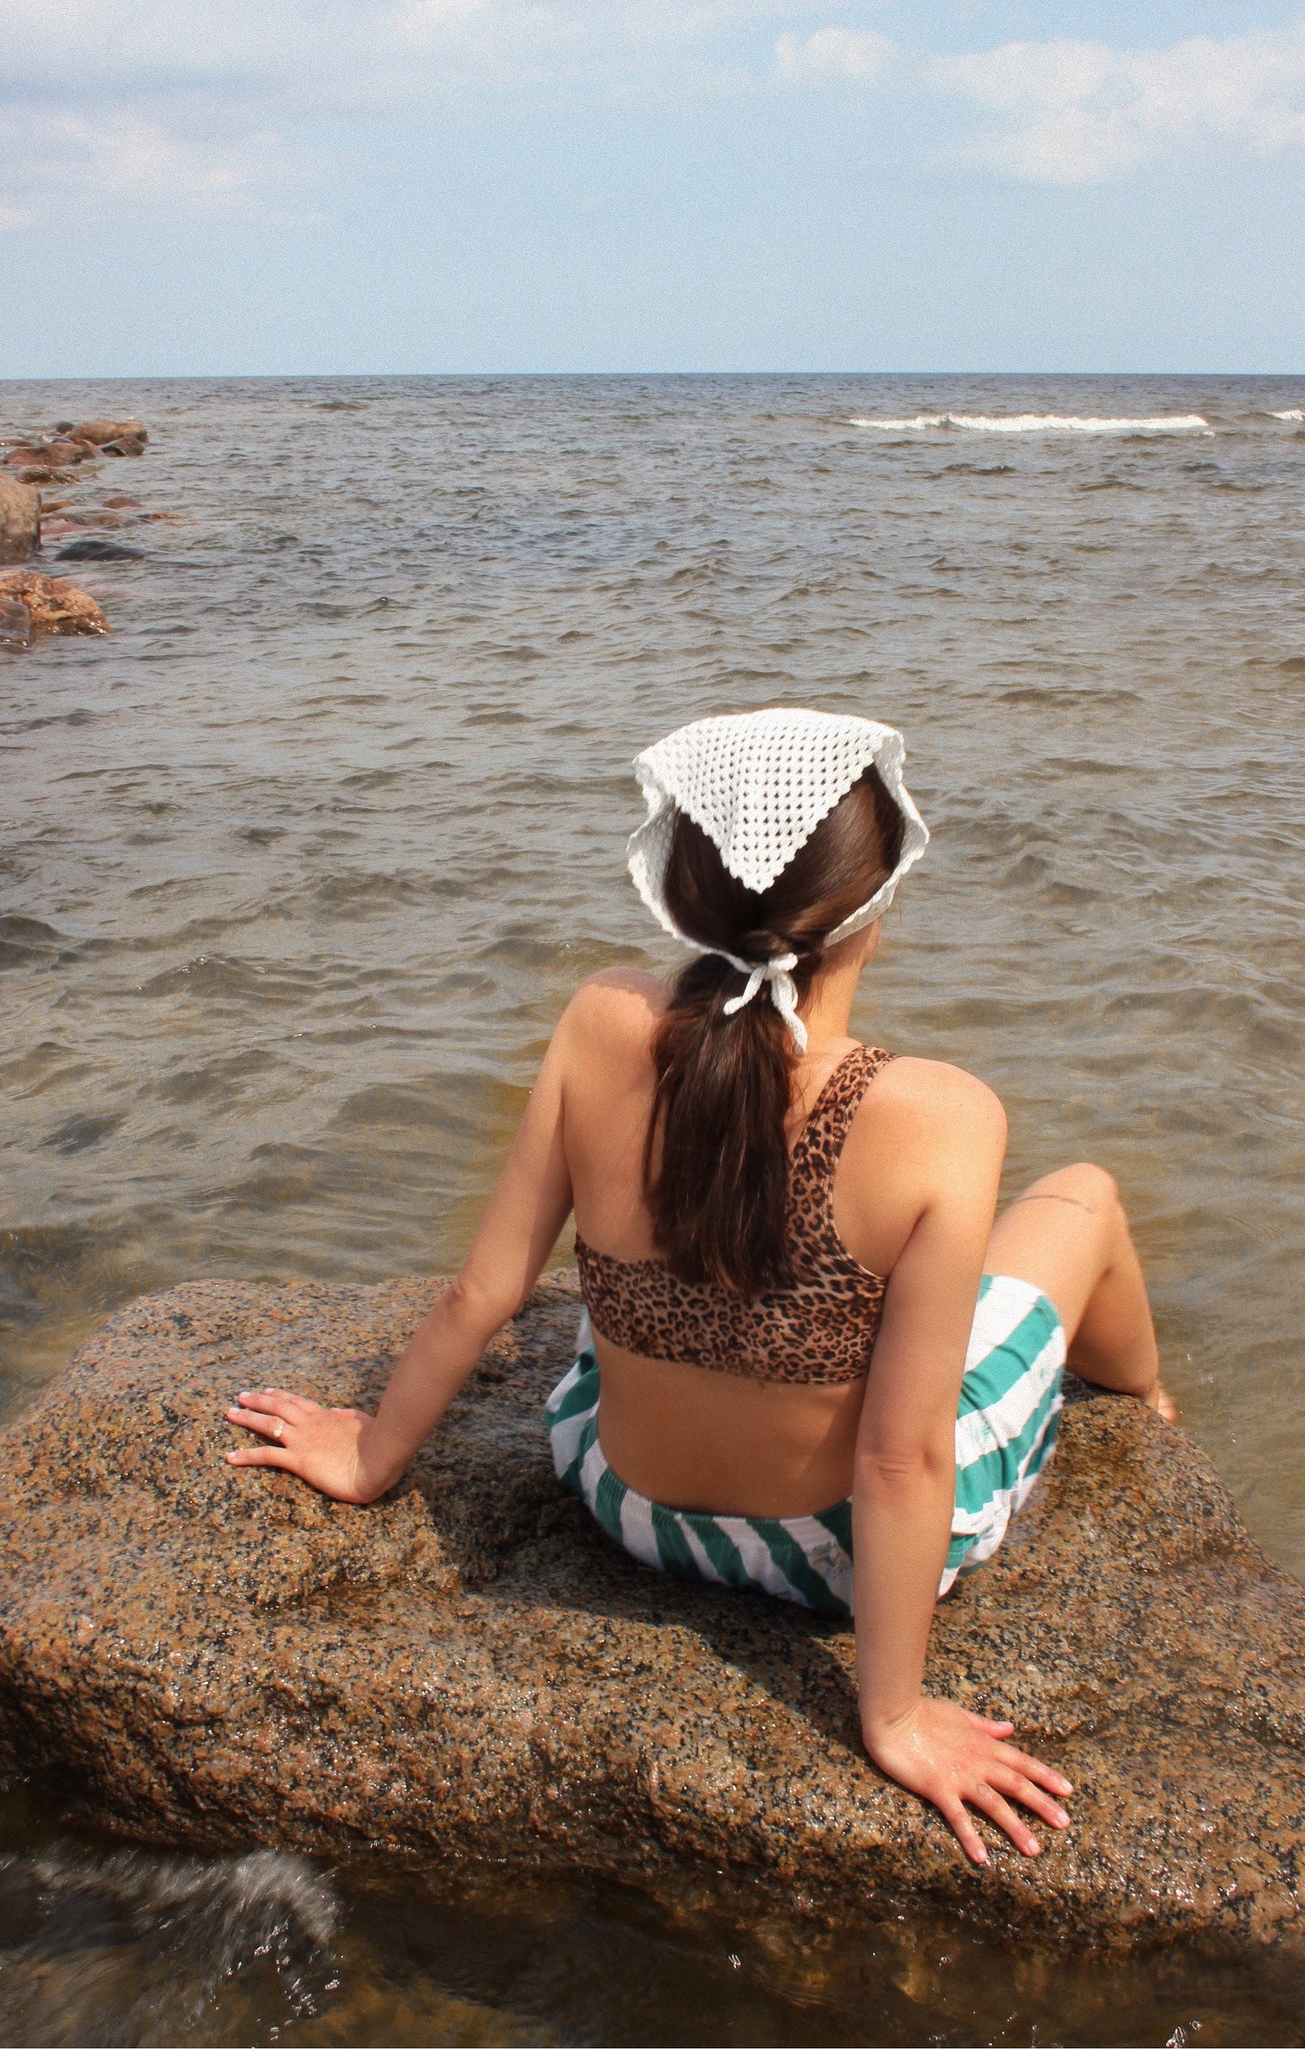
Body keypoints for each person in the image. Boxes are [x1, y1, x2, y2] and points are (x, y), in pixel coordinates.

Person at [226, 708, 1174, 1865]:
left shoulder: (598, 1020)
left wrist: (371, 1454)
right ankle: (1145, 1403)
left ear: (678, 886)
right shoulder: (940, 1115)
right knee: (1080, 1199)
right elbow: (899, 1460)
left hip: (622, 1499)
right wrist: (891, 1714)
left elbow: (482, 1290)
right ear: (877, 904)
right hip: (825, 1555)